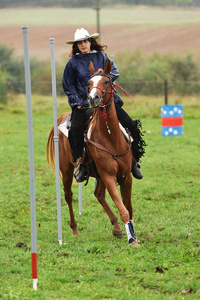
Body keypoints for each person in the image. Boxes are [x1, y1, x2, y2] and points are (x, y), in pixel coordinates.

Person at [62, 28, 146, 182]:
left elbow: (114, 72)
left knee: (131, 124)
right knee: (75, 130)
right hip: (84, 104)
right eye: (79, 43)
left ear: (90, 42)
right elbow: (68, 86)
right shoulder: (72, 63)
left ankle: (134, 162)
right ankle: (81, 165)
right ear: (76, 46)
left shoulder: (102, 56)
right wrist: (79, 103)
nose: (83, 45)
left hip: (106, 102)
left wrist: (102, 77)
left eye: (85, 41)